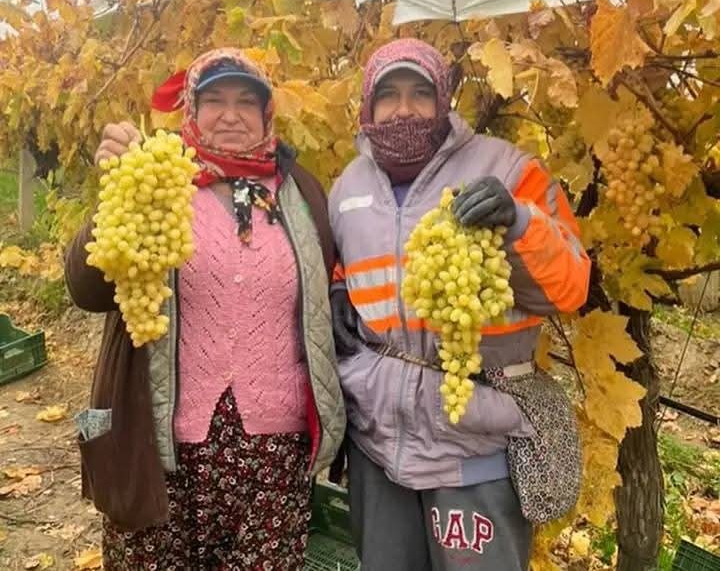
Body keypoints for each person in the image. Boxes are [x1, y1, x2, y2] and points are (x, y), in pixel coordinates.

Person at [65, 47, 345, 571]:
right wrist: (115, 194)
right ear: (191, 109)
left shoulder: (302, 192)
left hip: (274, 451)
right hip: (160, 442)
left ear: (268, 114)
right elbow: (87, 289)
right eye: (214, 99)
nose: (231, 114)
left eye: (246, 101)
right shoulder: (158, 179)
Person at [329, 38, 590, 571]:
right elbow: (355, 259)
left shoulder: (510, 169)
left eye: (420, 93)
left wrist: (519, 221)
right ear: (367, 105)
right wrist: (338, 288)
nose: (404, 109)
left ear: (444, 99)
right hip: (377, 442)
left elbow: (571, 287)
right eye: (389, 95)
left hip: (475, 445)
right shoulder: (347, 186)